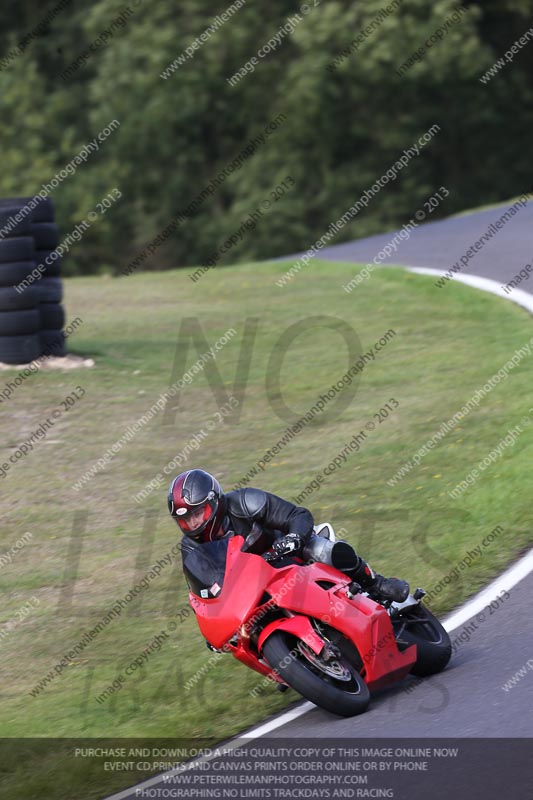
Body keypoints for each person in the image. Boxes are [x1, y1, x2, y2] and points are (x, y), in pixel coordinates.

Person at [167, 468, 409, 602]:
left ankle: (377, 584)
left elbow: (298, 515)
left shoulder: (244, 502)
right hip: (255, 588)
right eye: (185, 519)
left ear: (215, 502)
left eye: (198, 513)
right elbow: (203, 593)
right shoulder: (190, 548)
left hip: (291, 556)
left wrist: (292, 539)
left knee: (321, 549)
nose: (193, 522)